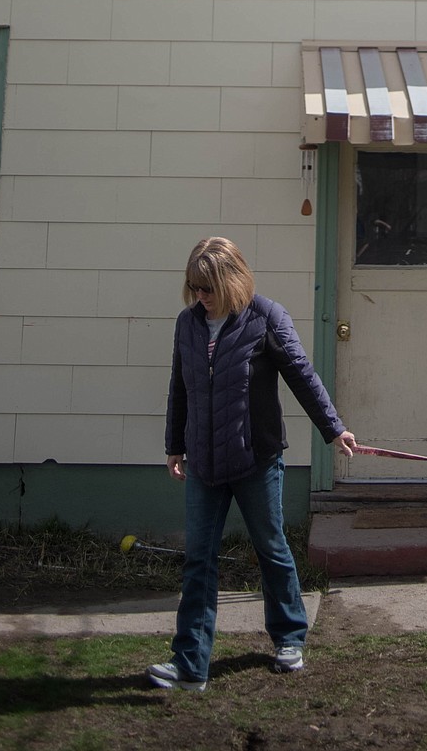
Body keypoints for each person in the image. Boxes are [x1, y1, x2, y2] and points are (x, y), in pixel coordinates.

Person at [147, 235, 356, 692]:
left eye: (208, 288)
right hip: (203, 463)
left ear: (231, 281)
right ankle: (190, 665)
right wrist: (174, 444)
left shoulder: (265, 318)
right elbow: (179, 386)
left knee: (271, 547)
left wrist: (333, 428)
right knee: (198, 561)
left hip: (255, 459)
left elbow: (302, 374)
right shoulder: (188, 325)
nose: (200, 297)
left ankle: (289, 637)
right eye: (194, 288)